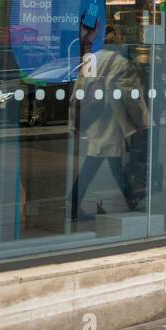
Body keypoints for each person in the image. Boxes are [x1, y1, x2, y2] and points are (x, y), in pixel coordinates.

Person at [68, 23, 148, 222]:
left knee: (109, 157)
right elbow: (130, 96)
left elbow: (79, 89)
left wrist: (75, 121)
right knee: (98, 159)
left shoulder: (91, 59)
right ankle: (73, 202)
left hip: (93, 117)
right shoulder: (120, 62)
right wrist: (140, 120)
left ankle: (130, 197)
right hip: (112, 118)